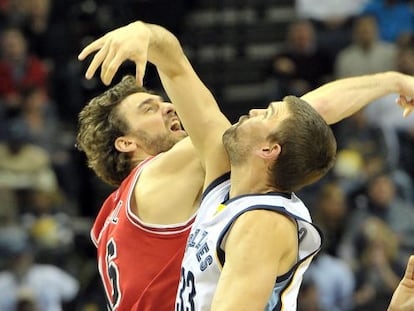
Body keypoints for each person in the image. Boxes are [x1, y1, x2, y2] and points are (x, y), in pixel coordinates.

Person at [77, 21, 414, 310]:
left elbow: (294, 121)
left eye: (162, 101)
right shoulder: (163, 173)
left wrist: (390, 82)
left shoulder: (111, 218)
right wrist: (148, 34)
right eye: (148, 109)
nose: (168, 107)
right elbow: (302, 116)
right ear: (125, 144)